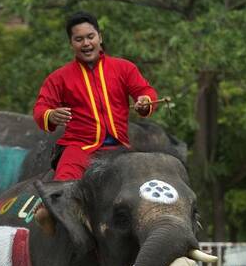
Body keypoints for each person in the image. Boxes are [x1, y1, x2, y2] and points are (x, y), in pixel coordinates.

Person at [34, 11, 158, 181]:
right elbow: (41, 109)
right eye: (79, 39)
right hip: (78, 148)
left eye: (90, 36)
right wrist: (51, 115)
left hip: (120, 146)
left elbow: (146, 91)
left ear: (100, 37)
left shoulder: (124, 68)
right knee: (62, 186)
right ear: (71, 43)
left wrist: (145, 101)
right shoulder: (59, 77)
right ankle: (46, 208)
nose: (86, 43)